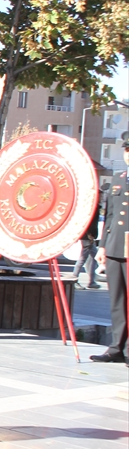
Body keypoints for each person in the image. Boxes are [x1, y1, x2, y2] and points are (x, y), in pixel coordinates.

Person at [93, 141, 129, 363]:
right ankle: (116, 347)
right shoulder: (118, 179)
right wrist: (103, 245)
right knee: (117, 299)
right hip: (115, 245)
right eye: (127, 150)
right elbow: (110, 215)